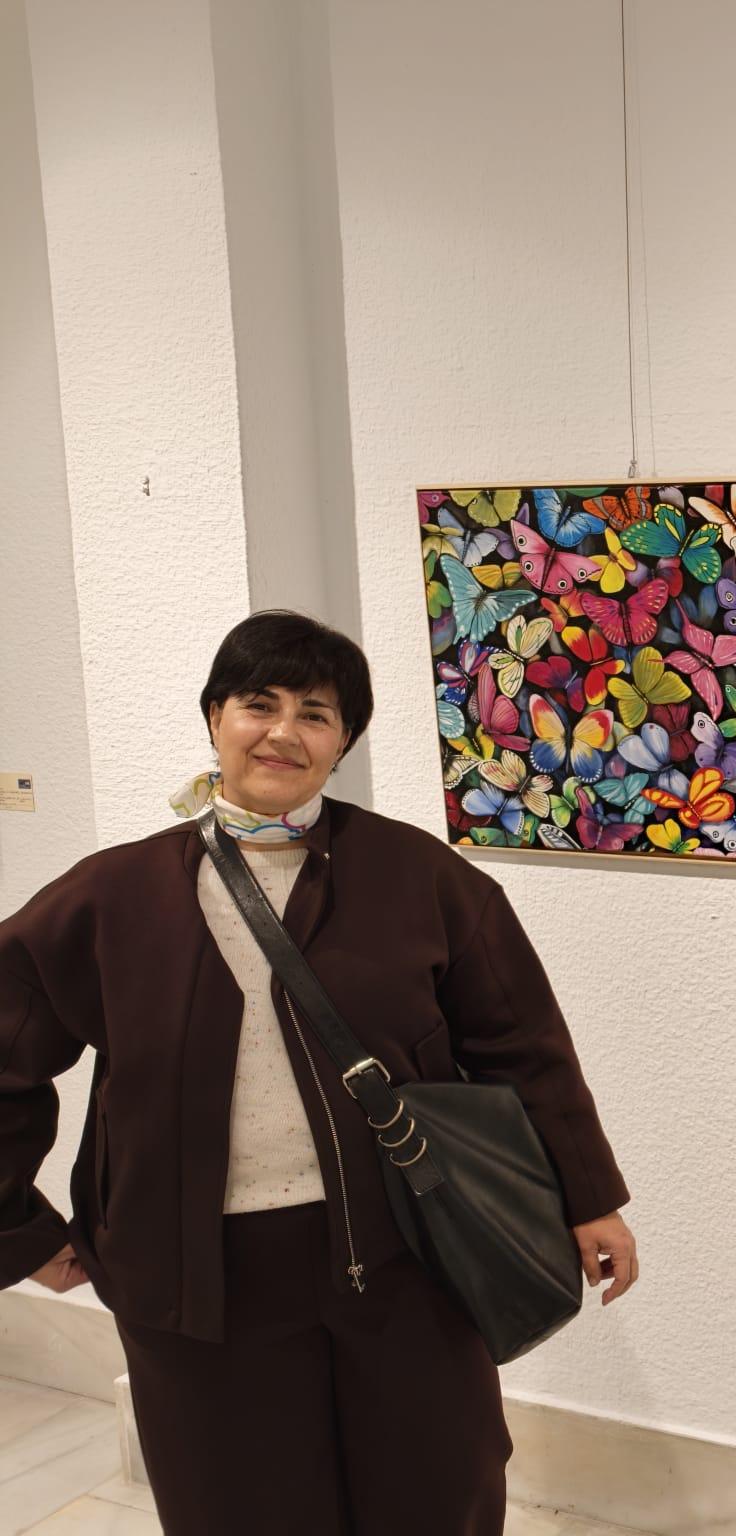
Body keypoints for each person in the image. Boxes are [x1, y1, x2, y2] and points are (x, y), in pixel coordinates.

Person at [0, 611, 638, 1534]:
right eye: (259, 704)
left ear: (344, 741)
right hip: (194, 1282)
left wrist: (589, 1198)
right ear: (215, 717)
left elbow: (522, 1045)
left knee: (436, 1493)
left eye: (316, 713)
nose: (283, 732)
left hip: (408, 1258)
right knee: (240, 1509)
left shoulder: (419, 878)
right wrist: (17, 1228)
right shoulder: (111, 895)